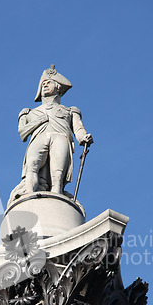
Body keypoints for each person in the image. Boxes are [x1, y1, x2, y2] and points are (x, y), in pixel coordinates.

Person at [9, 65, 93, 203]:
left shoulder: (70, 111)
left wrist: (83, 138)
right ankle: (29, 193)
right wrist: (39, 121)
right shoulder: (28, 112)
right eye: (43, 84)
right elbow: (22, 133)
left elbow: (78, 128)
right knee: (32, 165)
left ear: (58, 87)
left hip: (60, 137)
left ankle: (57, 195)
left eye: (49, 83)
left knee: (58, 171)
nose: (45, 85)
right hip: (39, 138)